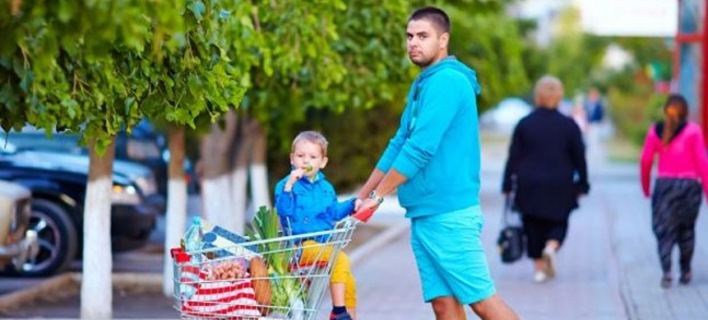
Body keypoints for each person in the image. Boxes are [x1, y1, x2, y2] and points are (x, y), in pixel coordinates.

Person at [356, 7, 519, 320]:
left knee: (483, 303)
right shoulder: (424, 83)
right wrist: (364, 194)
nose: (413, 43)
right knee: (444, 306)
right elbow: (399, 143)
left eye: (422, 36)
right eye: (409, 36)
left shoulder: (447, 83)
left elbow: (419, 149)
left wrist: (378, 198)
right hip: (426, 214)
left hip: (449, 214)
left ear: (443, 40)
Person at [501, 76, 590, 284]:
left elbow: (514, 156)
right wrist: (583, 183)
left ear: (538, 95)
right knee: (559, 222)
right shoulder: (569, 126)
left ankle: (539, 270)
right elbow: (580, 158)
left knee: (532, 226)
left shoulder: (525, 124)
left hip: (529, 184)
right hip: (560, 184)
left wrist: (506, 184)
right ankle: (551, 247)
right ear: (559, 96)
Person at [274, 131, 362, 320]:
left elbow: (333, 213)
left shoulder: (326, 188)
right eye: (300, 156)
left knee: (347, 279)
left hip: (323, 246)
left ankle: (348, 317)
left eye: (313, 157)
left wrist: (352, 204)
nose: (306, 161)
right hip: (301, 247)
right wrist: (289, 186)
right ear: (292, 159)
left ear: (322, 162)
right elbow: (283, 212)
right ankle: (338, 312)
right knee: (341, 260)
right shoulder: (285, 185)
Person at [640, 94, 708, 288]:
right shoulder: (694, 131)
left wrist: (646, 187)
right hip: (690, 188)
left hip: (665, 186)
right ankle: (685, 270)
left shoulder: (656, 131)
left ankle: (667, 271)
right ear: (685, 111)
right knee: (686, 230)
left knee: (664, 230)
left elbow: (645, 160)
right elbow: (703, 163)